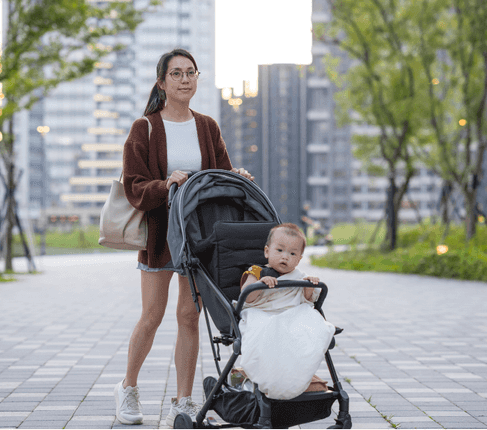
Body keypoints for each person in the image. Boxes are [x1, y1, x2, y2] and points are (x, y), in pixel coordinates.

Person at [115, 48, 254, 427]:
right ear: (161, 82)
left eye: (190, 72)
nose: (185, 79)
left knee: (189, 316)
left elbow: (220, 176)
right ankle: (128, 387)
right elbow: (134, 185)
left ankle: (184, 401)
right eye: (176, 73)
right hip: (161, 235)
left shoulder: (207, 126)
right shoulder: (144, 128)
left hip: (198, 235)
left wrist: (236, 176)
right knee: (152, 316)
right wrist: (165, 184)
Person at [237, 223, 336, 400]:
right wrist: (260, 284)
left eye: (292, 254)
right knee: (267, 330)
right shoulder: (257, 271)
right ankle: (264, 378)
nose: (285, 257)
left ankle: (294, 378)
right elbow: (247, 297)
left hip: (292, 314)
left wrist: (309, 285)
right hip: (263, 312)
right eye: (280, 250)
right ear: (267, 251)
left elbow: (307, 300)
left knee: (311, 327)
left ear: (299, 259)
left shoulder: (299, 276)